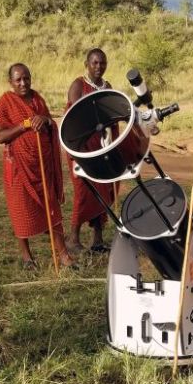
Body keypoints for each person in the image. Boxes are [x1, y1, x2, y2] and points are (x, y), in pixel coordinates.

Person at [0, 63, 76, 270]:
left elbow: (49, 123)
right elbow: (0, 136)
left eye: (26, 78)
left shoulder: (37, 98)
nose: (23, 83)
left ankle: (64, 256)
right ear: (10, 81)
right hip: (18, 168)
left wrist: (45, 120)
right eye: (18, 79)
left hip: (41, 166)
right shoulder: (5, 102)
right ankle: (27, 258)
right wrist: (24, 125)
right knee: (21, 211)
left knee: (51, 209)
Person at [65, 48, 116, 253]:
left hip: (101, 146)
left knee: (103, 189)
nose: (98, 67)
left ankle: (98, 239)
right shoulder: (78, 85)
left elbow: (112, 113)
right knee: (83, 191)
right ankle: (73, 237)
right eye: (95, 63)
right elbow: (75, 116)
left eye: (102, 63)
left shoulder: (107, 86)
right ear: (87, 64)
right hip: (81, 147)